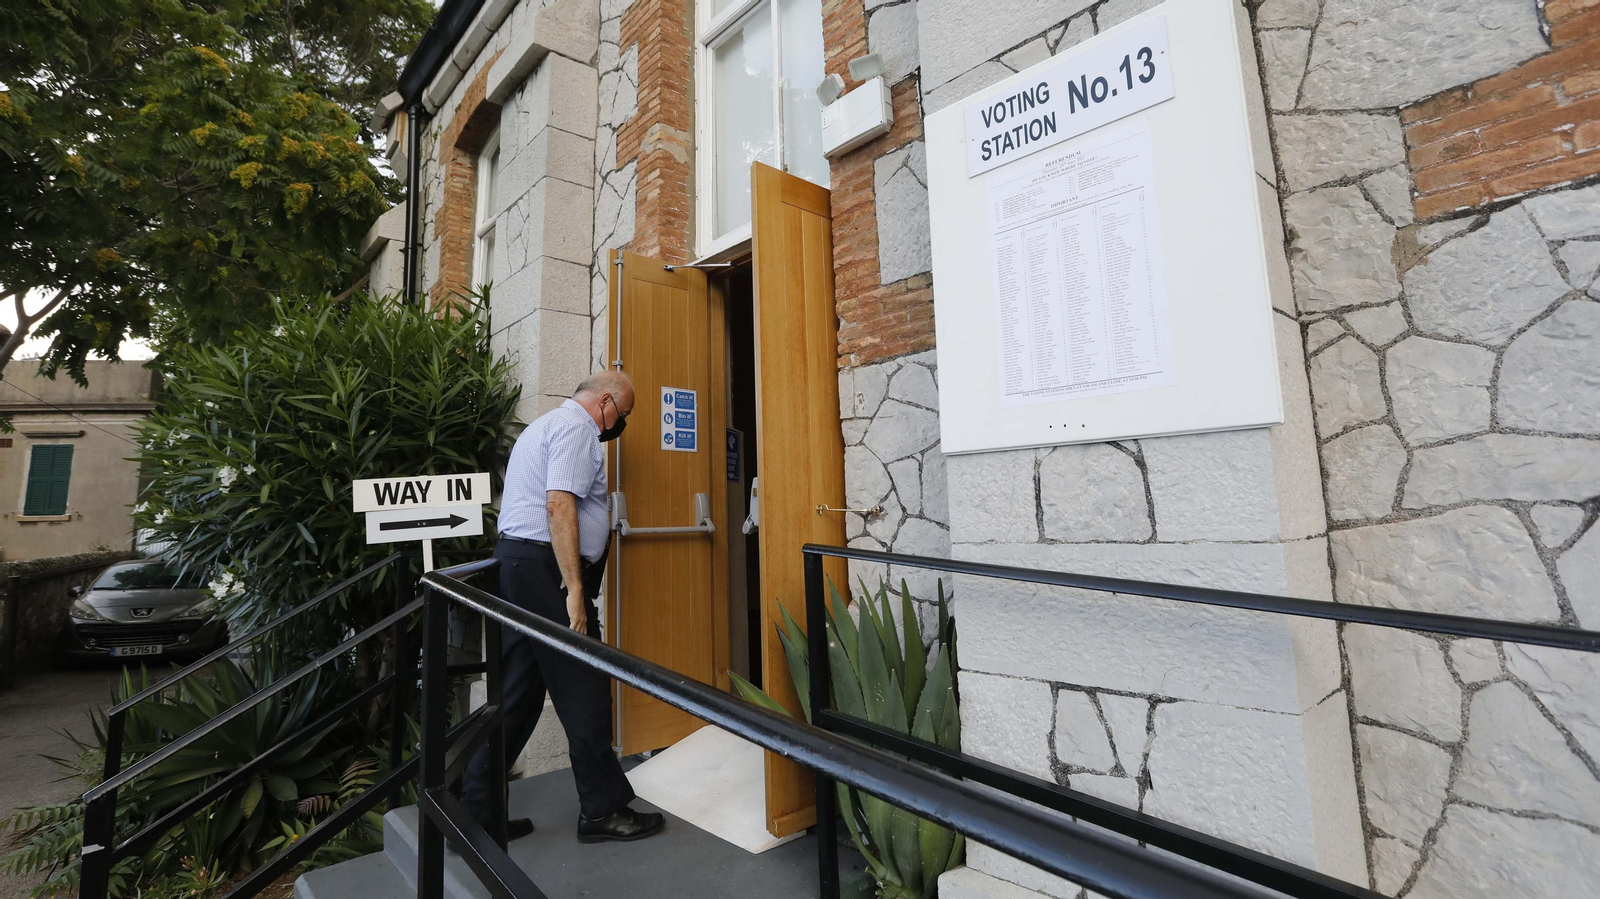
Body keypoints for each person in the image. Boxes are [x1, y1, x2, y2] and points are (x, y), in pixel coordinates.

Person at [459, 370, 665, 844]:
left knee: (518, 691)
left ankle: (476, 813)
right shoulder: (577, 428)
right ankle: (602, 810)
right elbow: (558, 504)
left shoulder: (544, 425)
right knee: (584, 683)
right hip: (545, 570)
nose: (621, 425)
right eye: (624, 414)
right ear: (607, 402)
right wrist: (574, 588)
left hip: (518, 563)